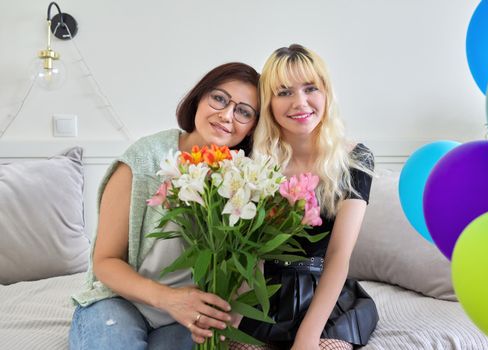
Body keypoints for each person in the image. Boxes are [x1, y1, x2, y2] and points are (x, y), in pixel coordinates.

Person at [69, 62, 260, 350]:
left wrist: (224, 317)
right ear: (198, 97)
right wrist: (170, 300)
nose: (226, 115)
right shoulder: (145, 159)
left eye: (244, 111)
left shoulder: (246, 180)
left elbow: (247, 266)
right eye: (219, 98)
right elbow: (105, 261)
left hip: (187, 315)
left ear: (253, 127)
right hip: (120, 300)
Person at [233, 45, 379, 350]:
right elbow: (249, 254)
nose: (300, 103)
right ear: (269, 103)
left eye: (310, 88)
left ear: (326, 93)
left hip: (325, 298)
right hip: (263, 291)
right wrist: (233, 319)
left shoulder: (354, 159)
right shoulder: (249, 157)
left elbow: (339, 255)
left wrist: (308, 337)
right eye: (284, 92)